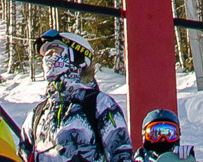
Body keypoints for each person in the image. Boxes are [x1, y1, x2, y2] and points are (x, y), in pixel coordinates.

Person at [21, 32, 130, 162]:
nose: (48, 59)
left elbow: (122, 155)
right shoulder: (37, 114)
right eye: (46, 55)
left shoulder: (101, 105)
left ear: (77, 57)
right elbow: (21, 155)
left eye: (55, 52)